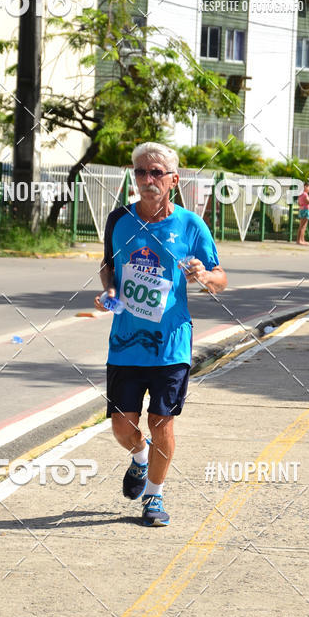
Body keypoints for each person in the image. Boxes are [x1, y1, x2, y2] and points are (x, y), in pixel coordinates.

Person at [94, 142, 227, 527]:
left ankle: (154, 496)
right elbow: (108, 265)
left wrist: (203, 276)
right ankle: (139, 456)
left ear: (173, 180)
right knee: (122, 424)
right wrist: (111, 291)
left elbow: (221, 278)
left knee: (162, 422)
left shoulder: (190, 225)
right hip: (125, 343)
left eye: (156, 173)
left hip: (171, 343)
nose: (147, 180)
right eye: (140, 172)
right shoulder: (118, 219)